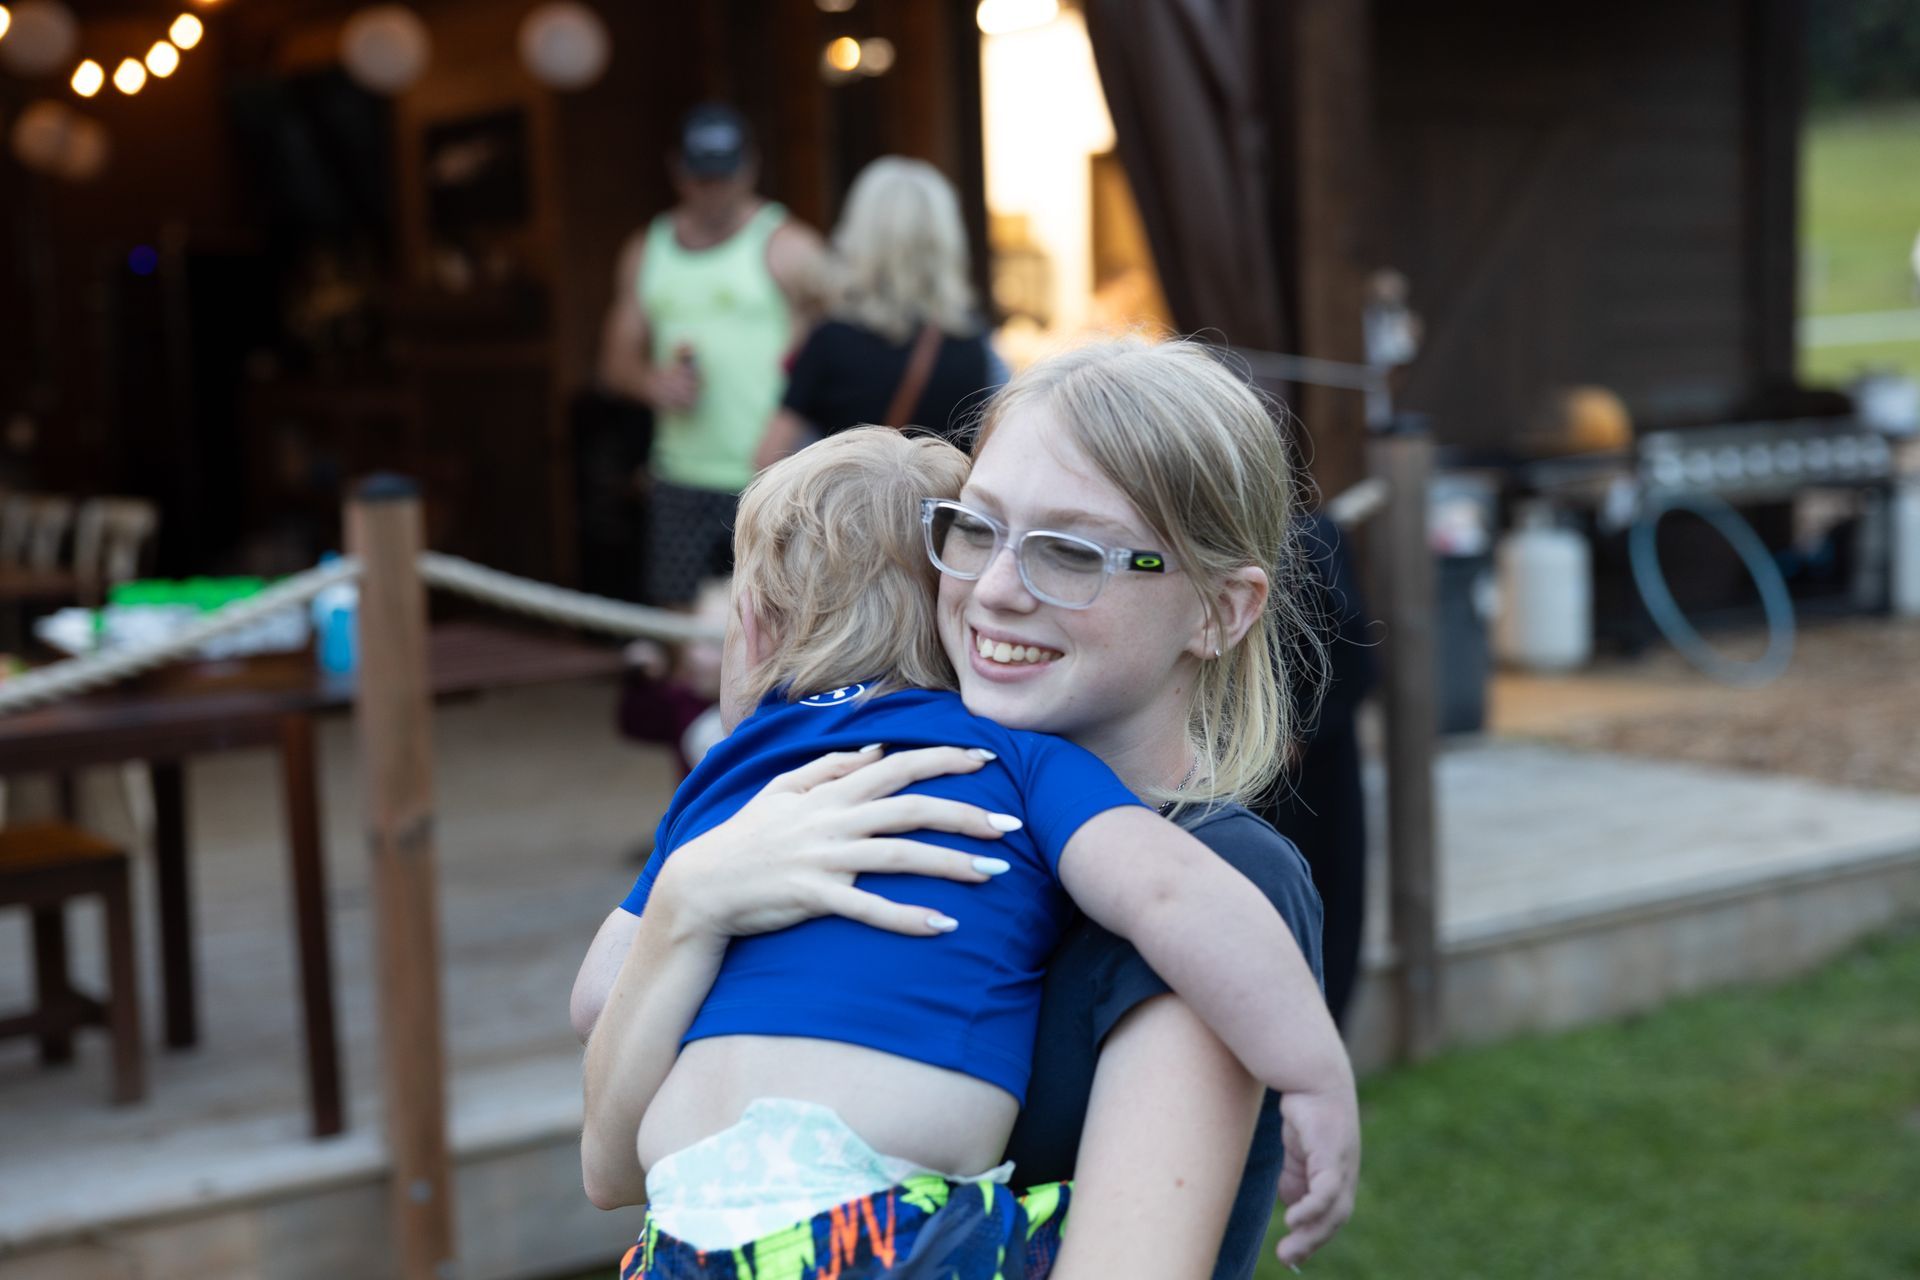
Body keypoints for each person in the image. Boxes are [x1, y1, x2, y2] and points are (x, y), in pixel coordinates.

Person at [575, 337, 1352, 1277]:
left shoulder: (1217, 884)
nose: (991, 590)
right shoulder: (832, 813)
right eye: (975, 528)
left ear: (1220, 611)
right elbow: (614, 1171)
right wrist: (691, 898)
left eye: (1069, 553)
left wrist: (1320, 1074)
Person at [598, 103, 825, 609]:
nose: (714, 190)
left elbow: (840, 355)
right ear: (678, 170)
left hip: (772, 476)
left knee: (778, 627)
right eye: (702, 177)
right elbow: (614, 362)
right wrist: (650, 383)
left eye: (725, 176)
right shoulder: (648, 248)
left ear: (751, 166)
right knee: (682, 637)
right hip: (680, 475)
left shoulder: (788, 244)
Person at [753, 157, 1001, 469]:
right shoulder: (972, 343)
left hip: (849, 517)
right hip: (938, 516)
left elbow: (767, 460)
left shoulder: (831, 342)